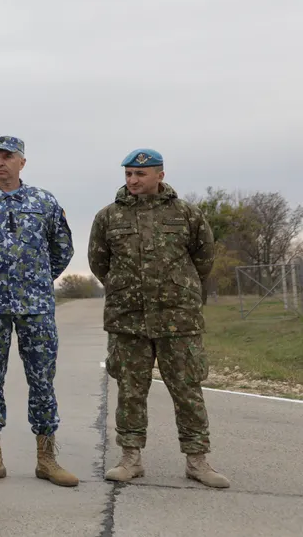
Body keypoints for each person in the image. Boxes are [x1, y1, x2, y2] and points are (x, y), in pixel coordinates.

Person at [88, 148, 229, 488]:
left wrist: (179, 289)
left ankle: (197, 461)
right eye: (128, 175)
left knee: (187, 389)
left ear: (160, 175)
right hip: (128, 319)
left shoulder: (186, 214)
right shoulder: (109, 216)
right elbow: (98, 262)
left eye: (140, 174)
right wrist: (126, 289)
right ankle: (130, 459)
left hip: (178, 318)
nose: (133, 180)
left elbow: (204, 257)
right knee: (131, 390)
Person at [0, 135, 78, 487]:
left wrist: (38, 278)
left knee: (42, 379)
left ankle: (47, 458)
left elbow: (62, 247)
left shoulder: (44, 201)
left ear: (22, 162)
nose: (0, 162)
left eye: (7, 156)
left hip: (35, 307)